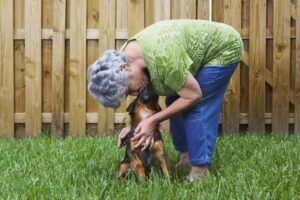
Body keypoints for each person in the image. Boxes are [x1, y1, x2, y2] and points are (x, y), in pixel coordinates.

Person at [88, 19, 244, 181]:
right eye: (128, 94)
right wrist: (133, 127)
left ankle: (200, 171)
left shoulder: (163, 57)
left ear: (125, 69)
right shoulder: (120, 60)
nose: (134, 94)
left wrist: (153, 121)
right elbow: (151, 92)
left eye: (129, 89)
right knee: (173, 102)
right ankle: (186, 157)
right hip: (184, 56)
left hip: (223, 47)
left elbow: (194, 95)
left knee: (195, 106)